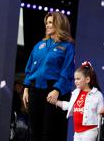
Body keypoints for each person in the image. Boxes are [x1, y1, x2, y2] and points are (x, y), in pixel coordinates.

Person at [22, 11, 75, 141]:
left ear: (59, 24)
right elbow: (30, 68)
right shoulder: (39, 45)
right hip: (35, 91)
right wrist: (26, 88)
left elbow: (67, 71)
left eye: (51, 22)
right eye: (46, 23)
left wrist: (57, 90)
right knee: (33, 131)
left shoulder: (67, 47)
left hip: (52, 92)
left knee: (48, 133)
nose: (47, 25)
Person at [52, 61, 104, 141]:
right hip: (77, 131)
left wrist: (103, 110)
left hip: (90, 130)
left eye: (78, 79)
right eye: (75, 79)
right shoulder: (75, 93)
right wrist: (56, 102)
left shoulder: (97, 94)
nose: (75, 81)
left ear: (87, 79)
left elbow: (100, 114)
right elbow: (69, 106)